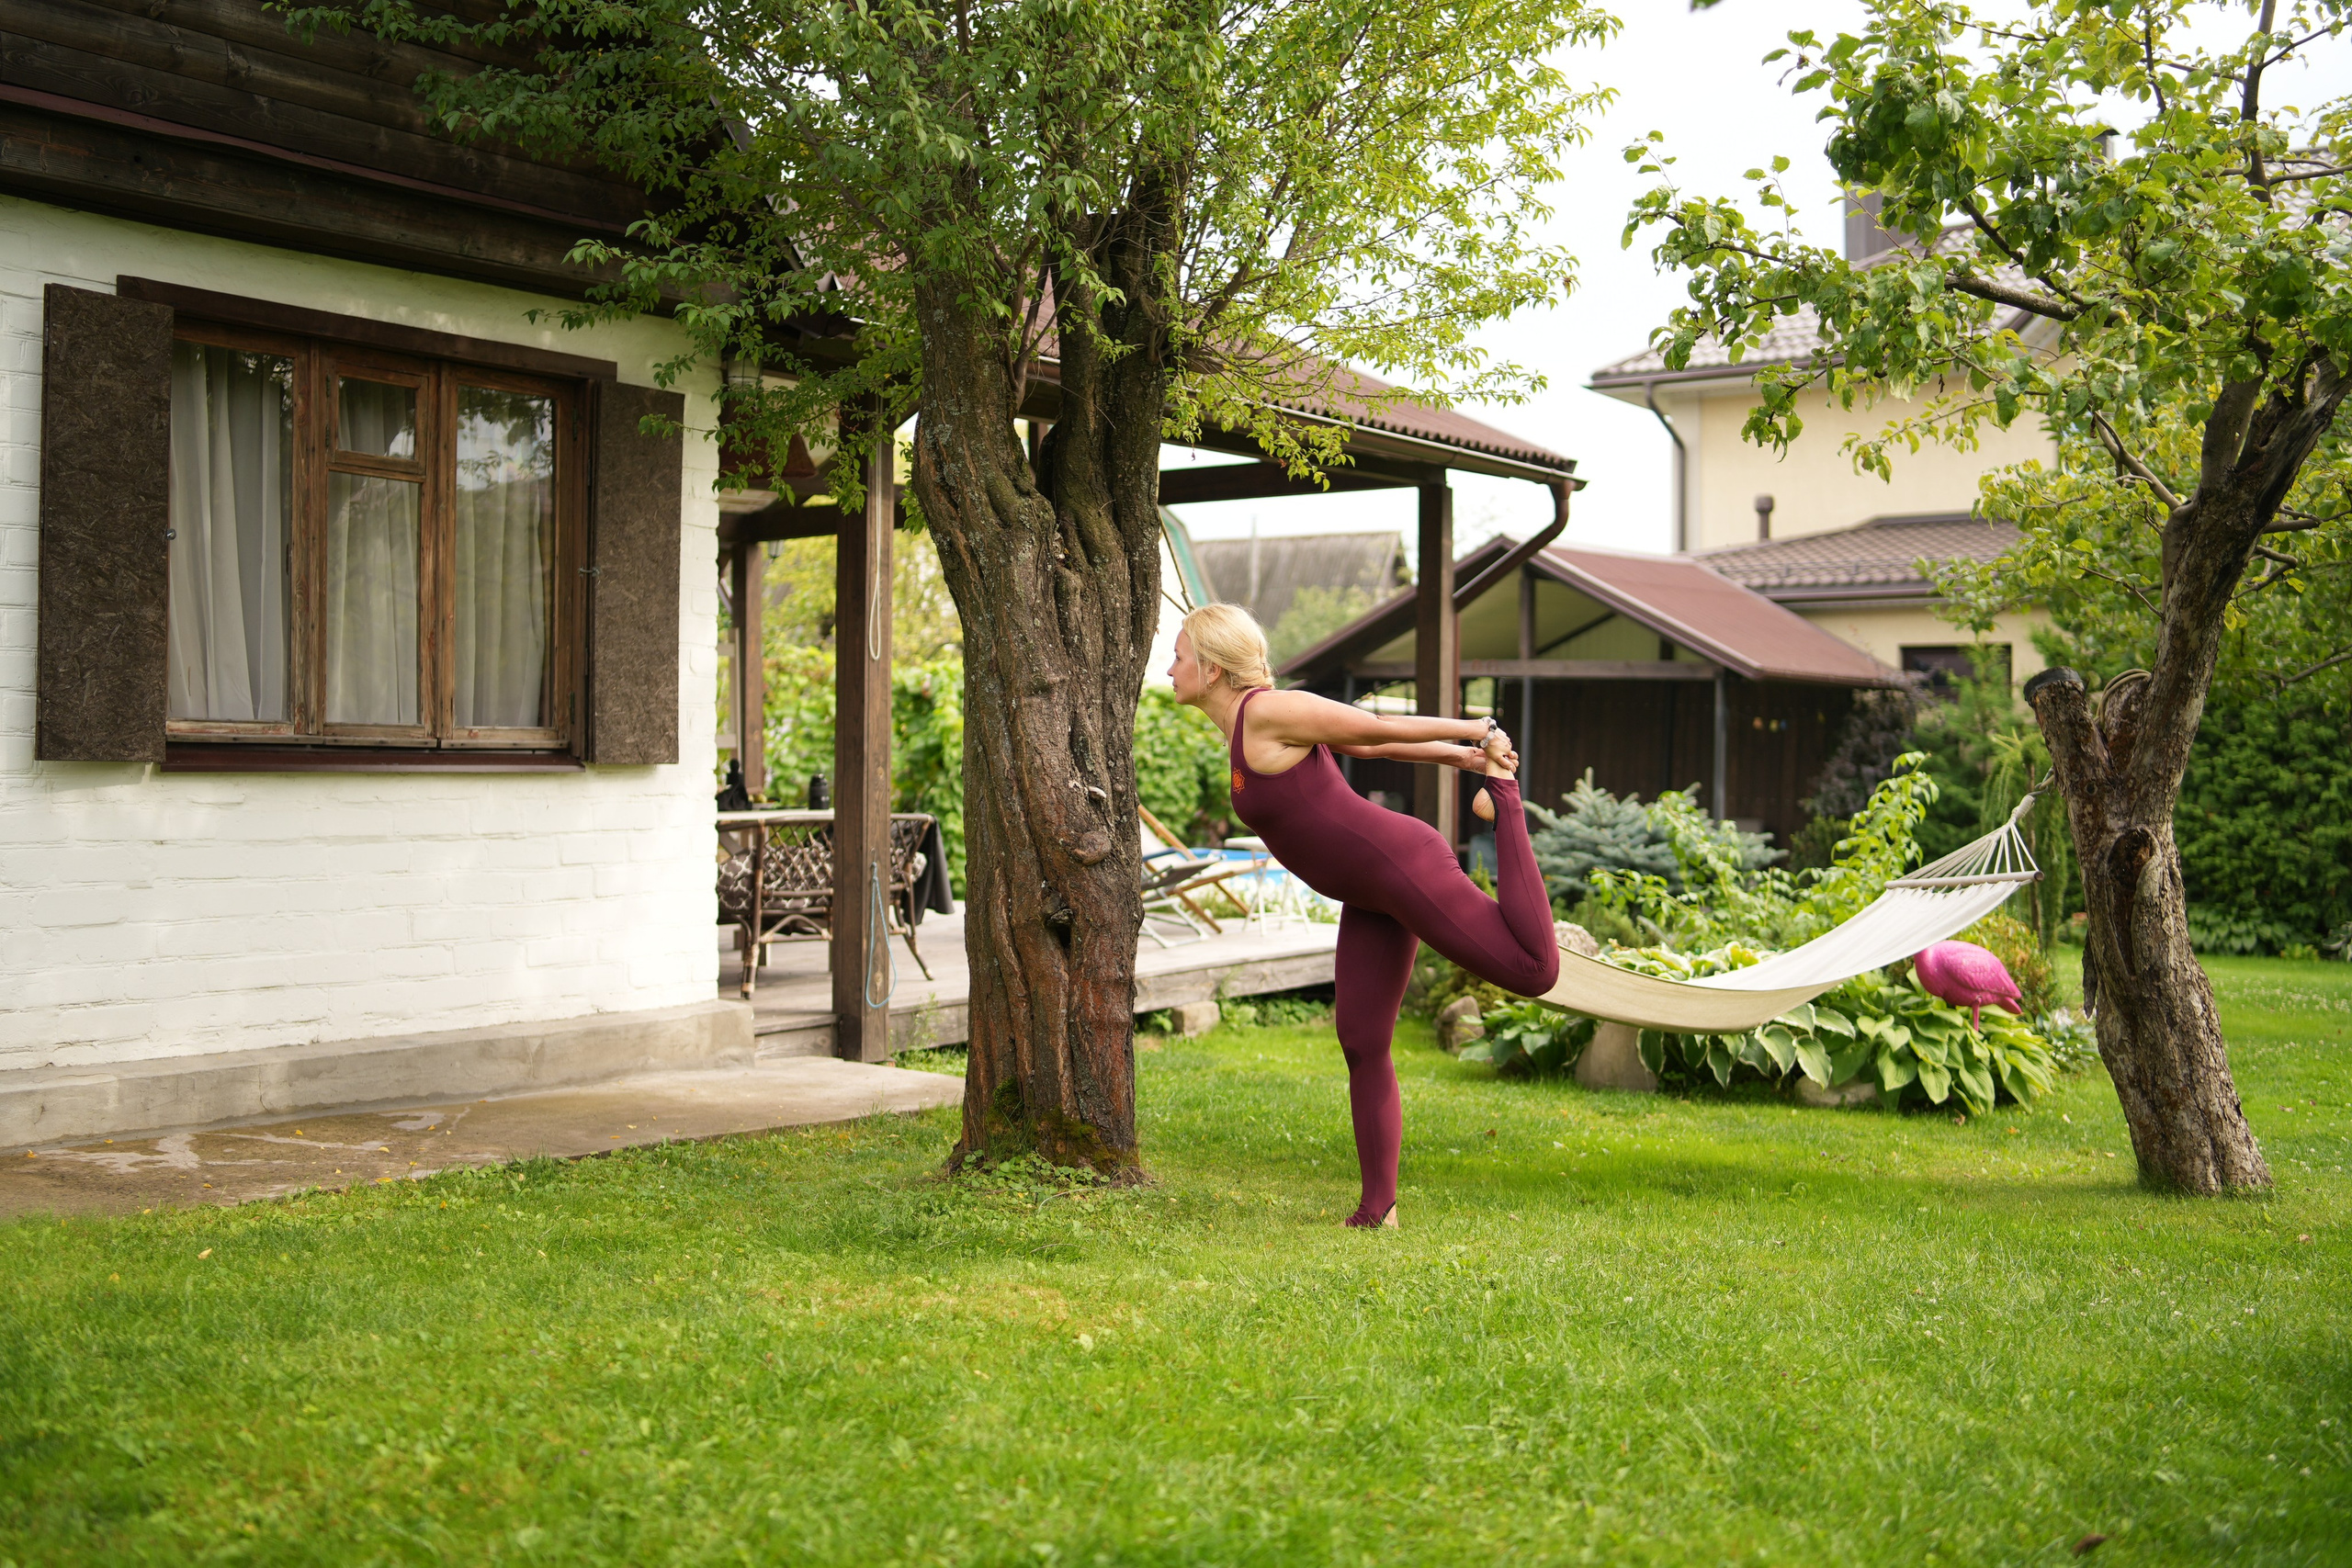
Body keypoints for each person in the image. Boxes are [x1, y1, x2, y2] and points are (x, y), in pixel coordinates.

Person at [1169, 603, 1559, 1228]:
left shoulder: (1265, 710)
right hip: (1369, 895)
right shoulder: (1240, 728)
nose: (1170, 667)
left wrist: (1474, 732)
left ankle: (1508, 801)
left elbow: (1370, 727)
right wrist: (1454, 758)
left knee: (1535, 969)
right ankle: (1379, 1208)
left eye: (1180, 656)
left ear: (1212, 670)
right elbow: (1367, 743)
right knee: (1362, 1038)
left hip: (1402, 867)